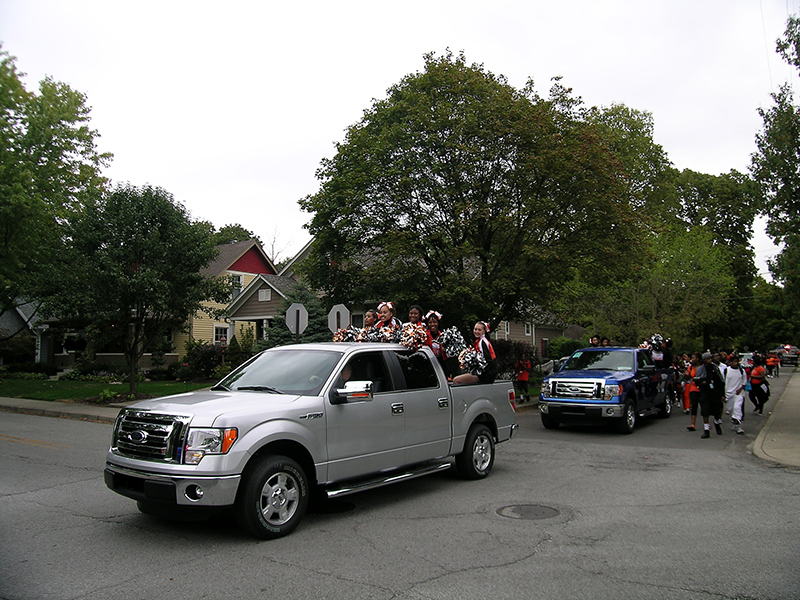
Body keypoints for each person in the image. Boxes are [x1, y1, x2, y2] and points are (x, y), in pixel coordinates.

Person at [694, 351, 725, 438]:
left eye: (710, 358)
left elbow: (721, 381)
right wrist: (702, 383)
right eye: (708, 359)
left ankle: (716, 423)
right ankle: (706, 430)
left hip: (715, 392)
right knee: (705, 411)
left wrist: (722, 394)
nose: (710, 360)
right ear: (704, 360)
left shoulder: (715, 368)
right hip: (705, 392)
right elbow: (697, 381)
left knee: (716, 410)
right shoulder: (700, 369)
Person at [423, 310, 449, 376]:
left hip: (440, 363)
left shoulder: (443, 336)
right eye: (430, 322)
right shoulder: (424, 335)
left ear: (438, 323)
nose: (432, 324)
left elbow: (445, 356)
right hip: (428, 363)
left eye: (435, 322)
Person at [725, 354, 746, 434]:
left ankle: (738, 426)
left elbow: (744, 382)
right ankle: (735, 424)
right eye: (734, 362)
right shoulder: (726, 370)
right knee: (731, 410)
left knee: (737, 408)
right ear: (730, 362)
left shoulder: (741, 371)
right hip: (729, 394)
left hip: (738, 393)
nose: (736, 363)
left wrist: (740, 389)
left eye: (737, 362)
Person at [686, 352, 702, 429]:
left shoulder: (703, 367)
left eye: (693, 358)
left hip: (702, 388)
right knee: (694, 405)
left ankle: (706, 423)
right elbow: (688, 377)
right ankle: (693, 424)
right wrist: (686, 374)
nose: (692, 360)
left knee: (704, 406)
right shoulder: (691, 367)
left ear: (698, 359)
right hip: (693, 388)